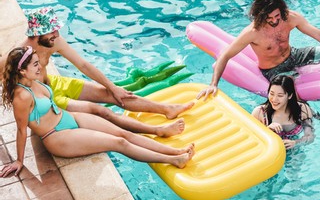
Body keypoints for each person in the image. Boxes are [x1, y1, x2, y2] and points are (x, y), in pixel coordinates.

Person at [0, 47, 195, 178]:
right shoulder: (22, 97)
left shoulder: (36, 80)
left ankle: (176, 150)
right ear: (22, 71)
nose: (40, 66)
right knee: (119, 143)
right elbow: (21, 130)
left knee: (123, 133)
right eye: (35, 64)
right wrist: (19, 160)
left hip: (67, 118)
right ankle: (174, 160)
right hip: (57, 136)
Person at [1, 7, 194, 137]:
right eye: (51, 31)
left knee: (114, 94)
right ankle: (158, 130)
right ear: (37, 34)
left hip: (55, 84)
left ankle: (166, 109)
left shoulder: (54, 42)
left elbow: (83, 65)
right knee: (103, 112)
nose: (57, 34)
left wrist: (112, 87)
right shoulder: (17, 56)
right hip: (46, 99)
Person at [196, 0, 320, 100]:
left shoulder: (290, 18)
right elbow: (225, 55)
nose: (275, 21)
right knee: (295, 97)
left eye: (277, 15)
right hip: (274, 69)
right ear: (260, 15)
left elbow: (318, 34)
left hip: (295, 55)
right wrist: (213, 84)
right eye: (269, 18)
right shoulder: (252, 33)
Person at [251, 75, 315, 149]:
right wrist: (267, 131)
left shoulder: (302, 109)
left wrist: (296, 142)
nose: (274, 99)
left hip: (295, 154)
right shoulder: (260, 113)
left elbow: (310, 137)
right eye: (271, 94)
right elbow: (251, 140)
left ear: (290, 96)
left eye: (280, 96)